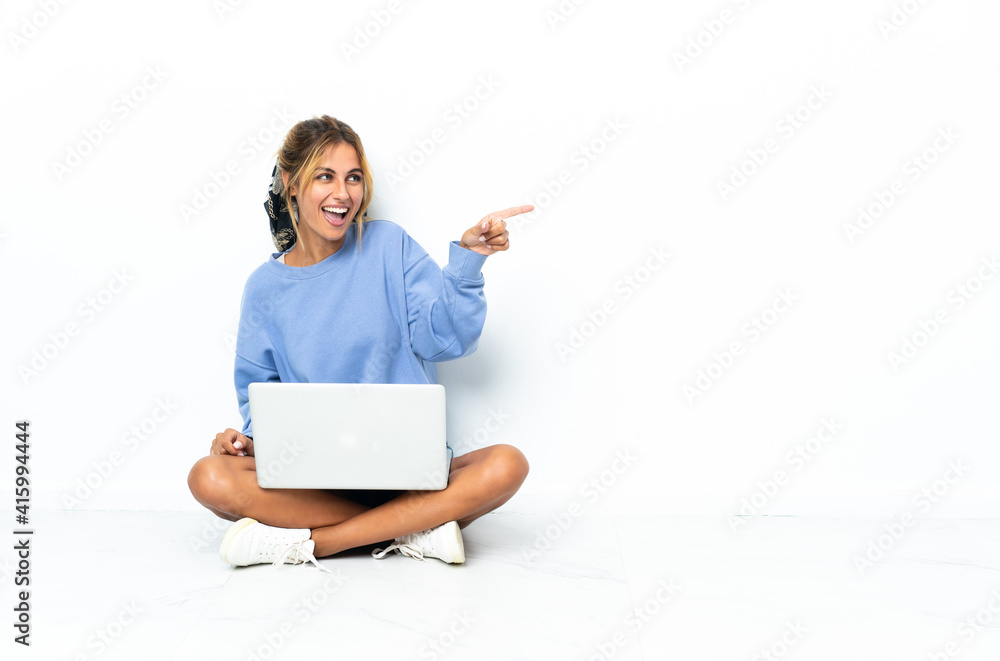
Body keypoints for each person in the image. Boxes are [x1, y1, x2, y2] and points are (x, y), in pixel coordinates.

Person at [186, 115, 532, 570]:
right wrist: (244, 443)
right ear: (291, 184)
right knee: (209, 476)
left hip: (410, 477)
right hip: (314, 484)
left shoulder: (389, 245)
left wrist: (469, 262)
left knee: (508, 464)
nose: (343, 193)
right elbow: (260, 400)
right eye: (324, 177)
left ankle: (318, 543)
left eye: (353, 178)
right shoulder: (264, 288)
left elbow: (448, 341)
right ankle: (413, 529)